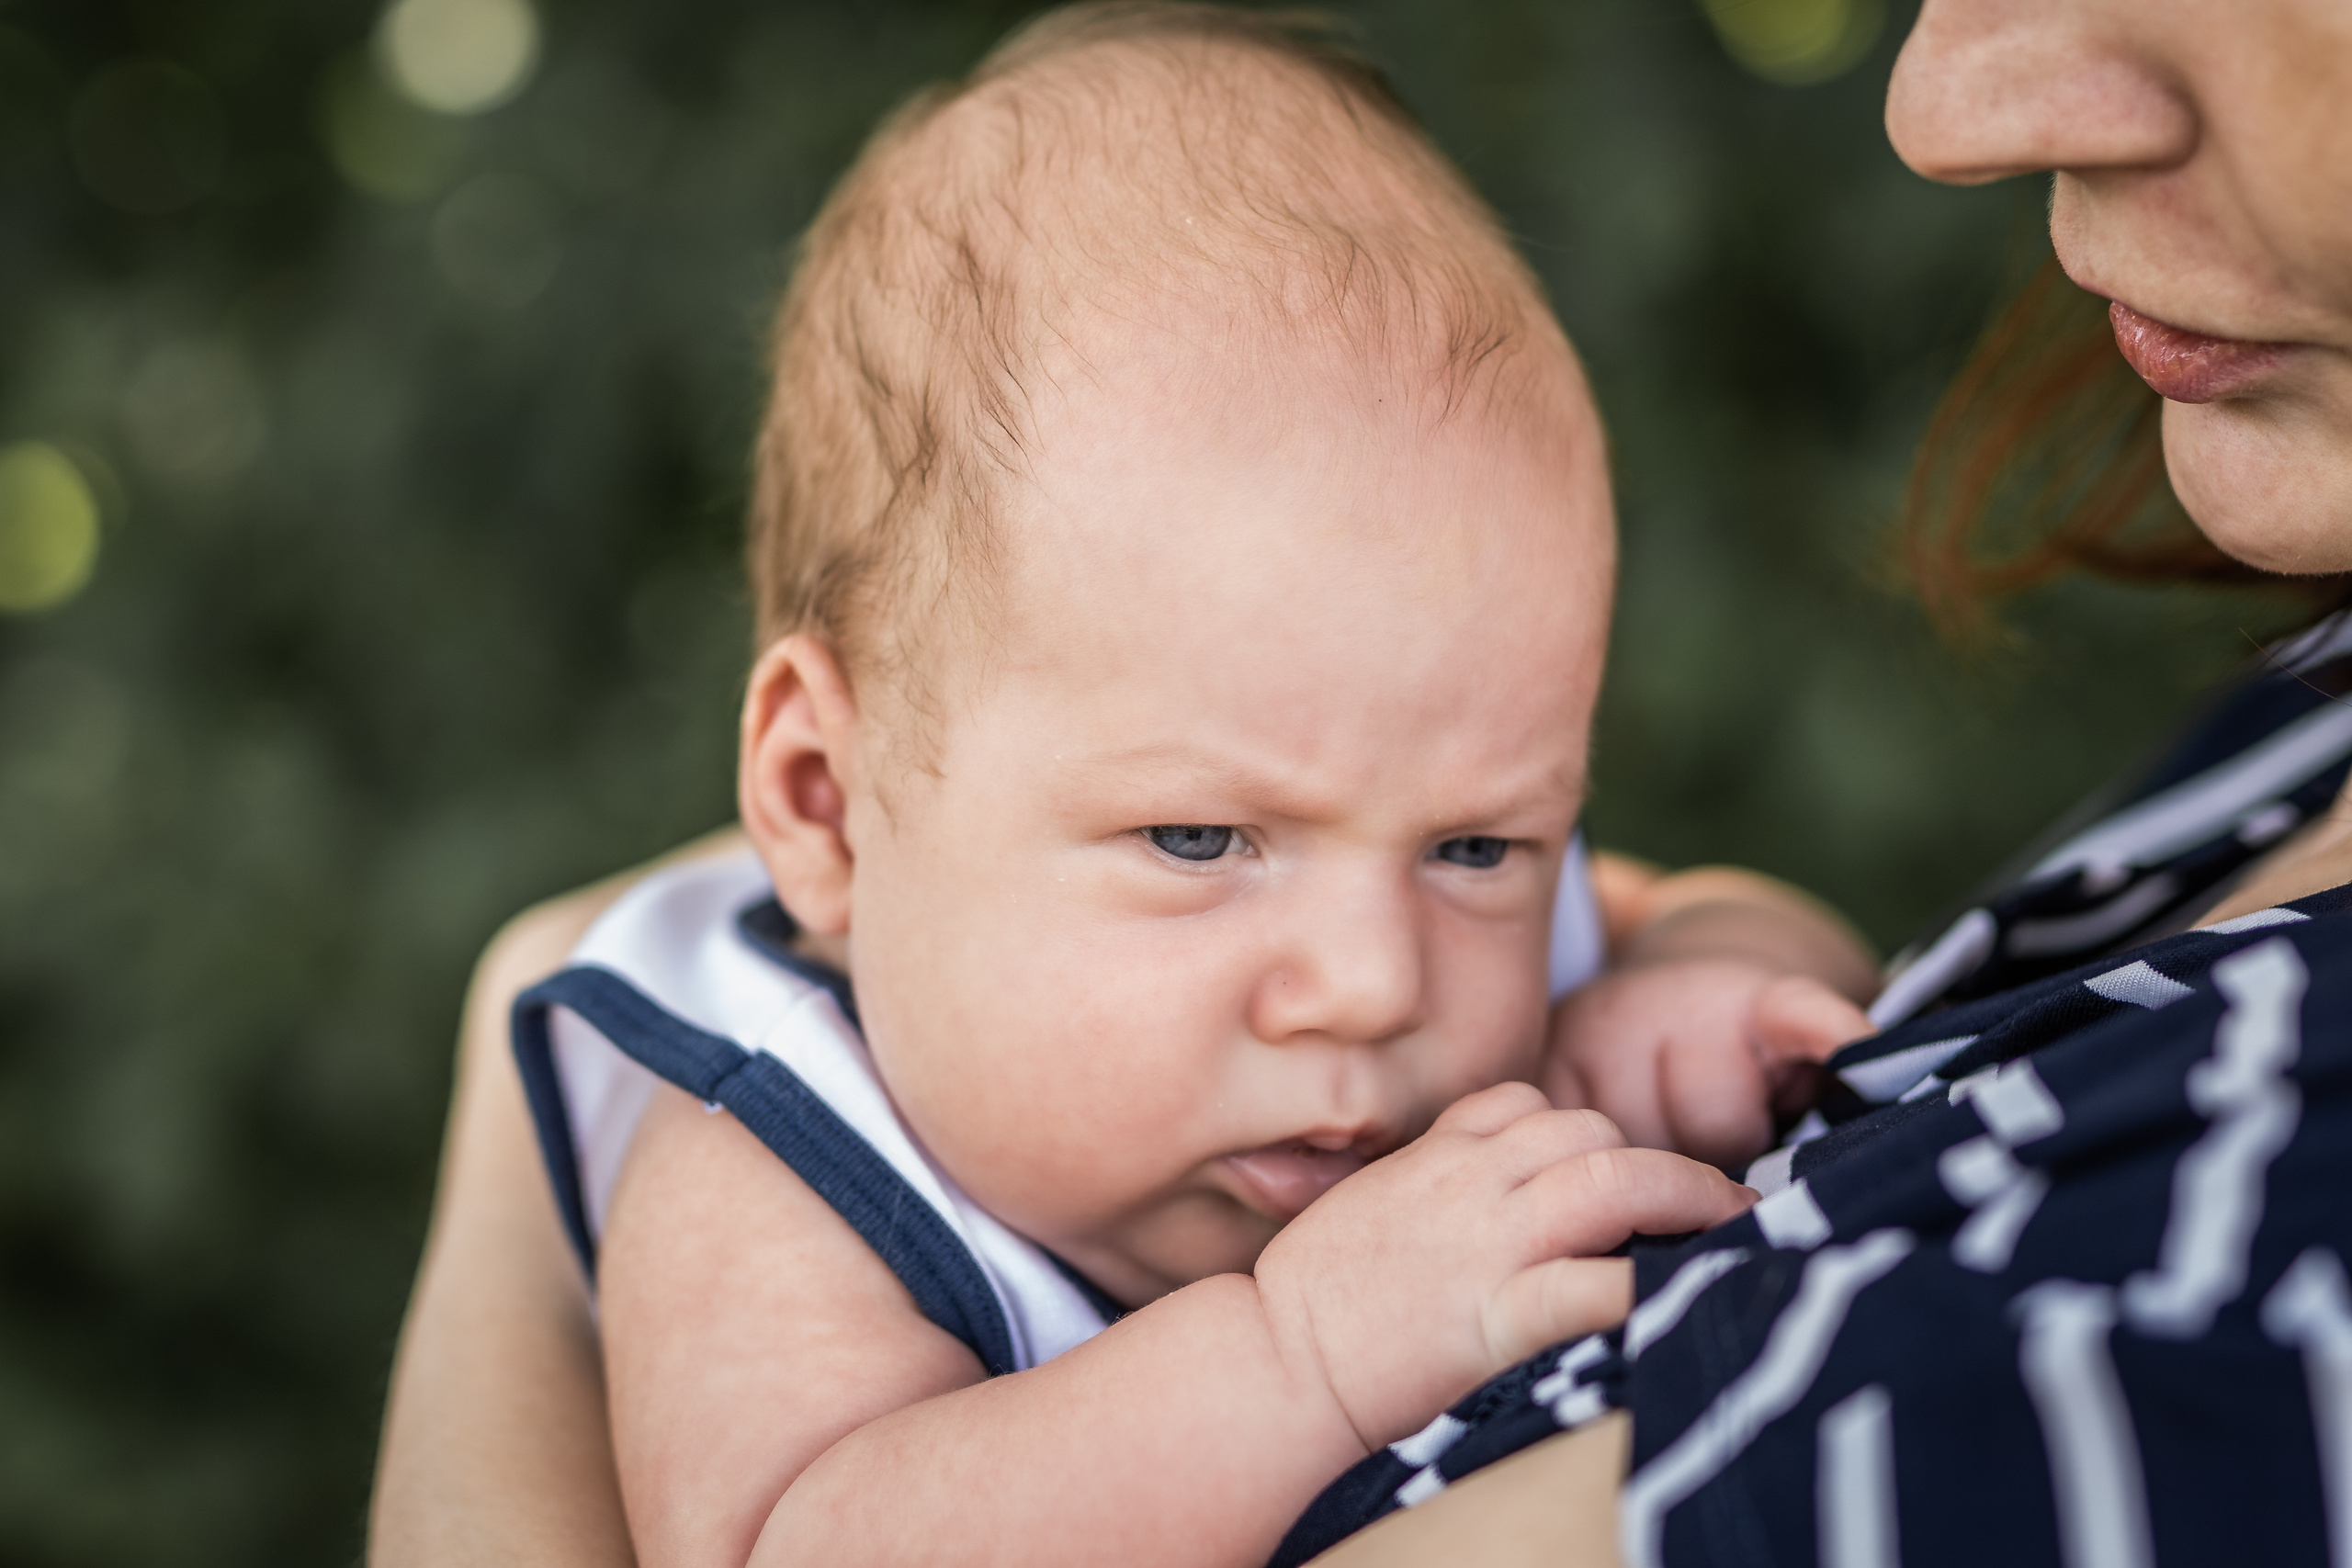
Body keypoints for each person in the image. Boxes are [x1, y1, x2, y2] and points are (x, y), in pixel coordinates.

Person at [375, 0, 2352, 1562]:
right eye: (1196, 838)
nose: (1370, 978)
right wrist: (1298, 1347)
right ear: (818, 802)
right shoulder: (768, 1139)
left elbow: (1687, 909)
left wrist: (1703, 975)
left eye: (1486, 840)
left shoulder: (1391, 892)